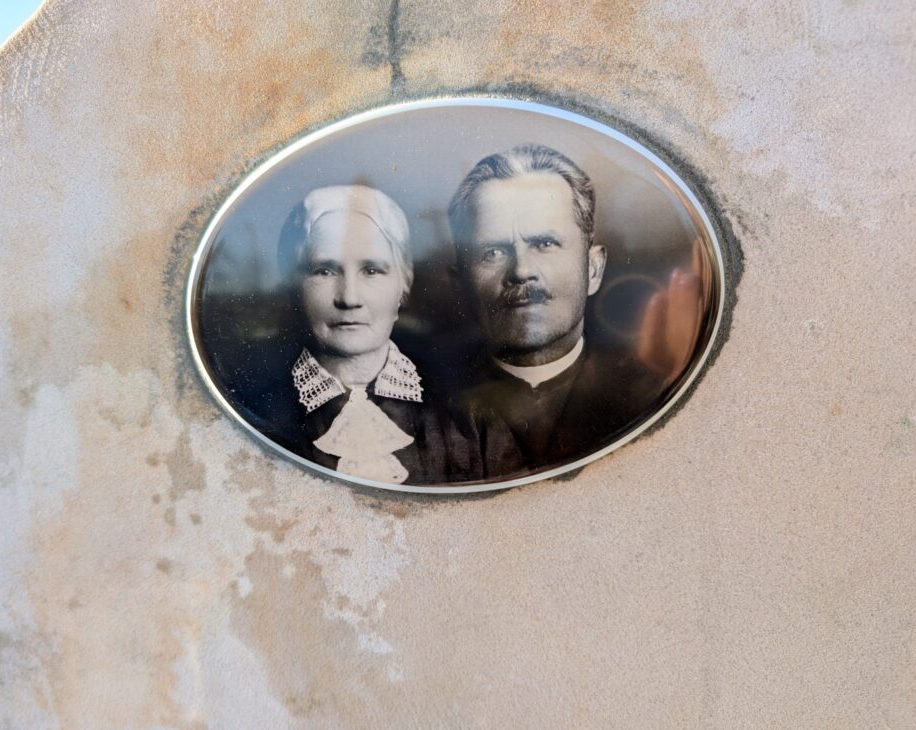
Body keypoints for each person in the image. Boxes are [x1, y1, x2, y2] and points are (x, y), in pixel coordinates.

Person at [447, 143, 665, 477]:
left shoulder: (652, 393)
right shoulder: (421, 412)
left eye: (544, 244)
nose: (522, 271)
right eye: (493, 253)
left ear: (593, 269)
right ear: (460, 284)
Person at [252, 184, 473, 485]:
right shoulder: (259, 414)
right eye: (324, 271)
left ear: (403, 284)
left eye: (371, 270)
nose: (349, 298)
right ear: (294, 289)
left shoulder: (464, 412)